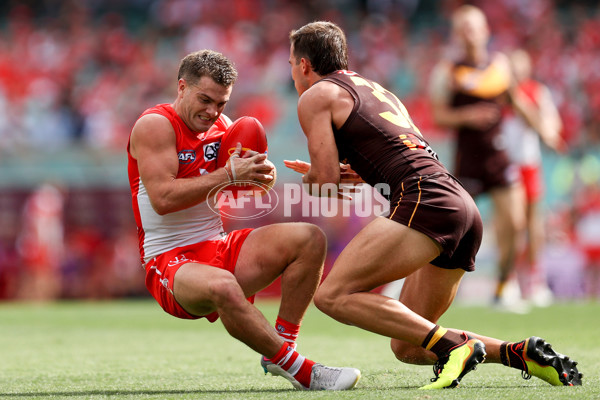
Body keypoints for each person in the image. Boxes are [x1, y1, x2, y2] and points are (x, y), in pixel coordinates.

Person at [284, 20, 582, 389]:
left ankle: (455, 347)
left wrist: (312, 178)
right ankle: (518, 352)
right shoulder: (379, 90)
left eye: (292, 66)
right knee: (409, 346)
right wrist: (360, 173)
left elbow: (326, 184)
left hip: (426, 200)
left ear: (303, 65)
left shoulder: (315, 95)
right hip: (459, 205)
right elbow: (406, 150)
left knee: (332, 296)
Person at [127, 49, 360, 391]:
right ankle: (303, 371)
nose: (213, 112)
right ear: (181, 87)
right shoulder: (155, 125)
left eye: (221, 103)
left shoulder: (223, 127)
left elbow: (244, 190)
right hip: (169, 259)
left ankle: (280, 349)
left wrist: (261, 176)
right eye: (205, 100)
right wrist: (227, 175)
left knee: (311, 239)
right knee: (223, 285)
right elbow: (163, 200)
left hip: (215, 245)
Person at [428, 5, 535, 310]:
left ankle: (504, 285)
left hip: (500, 157)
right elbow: (439, 114)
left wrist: (545, 128)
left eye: (474, 26)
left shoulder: (500, 65)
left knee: (515, 223)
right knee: (453, 227)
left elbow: (517, 100)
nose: (470, 33)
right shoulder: (447, 70)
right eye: (463, 27)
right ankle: (428, 285)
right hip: (469, 161)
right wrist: (468, 116)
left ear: (486, 30)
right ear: (457, 34)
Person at [501, 48, 564, 306]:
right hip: (504, 165)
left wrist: (550, 131)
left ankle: (535, 280)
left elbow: (551, 119)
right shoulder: (501, 94)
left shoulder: (535, 91)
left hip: (528, 164)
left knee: (532, 224)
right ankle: (509, 280)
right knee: (509, 225)